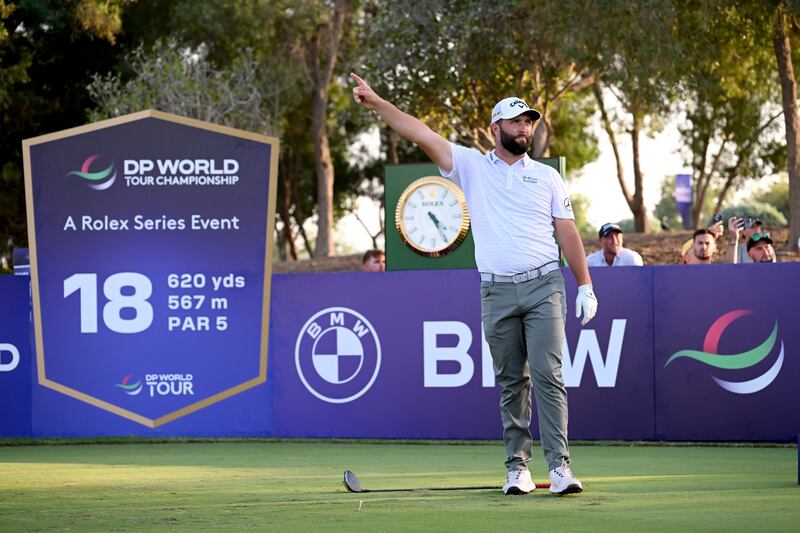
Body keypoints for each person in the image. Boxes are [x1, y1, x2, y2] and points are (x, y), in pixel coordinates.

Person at [351, 73, 597, 496]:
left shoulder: (547, 176)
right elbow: (421, 131)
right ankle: (517, 468)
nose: (525, 128)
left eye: (529, 122)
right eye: (516, 121)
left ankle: (560, 467)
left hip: (544, 285)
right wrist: (378, 104)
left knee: (548, 375)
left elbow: (568, 232)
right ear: (496, 127)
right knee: (510, 381)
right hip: (496, 290)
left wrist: (585, 285)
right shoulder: (470, 165)